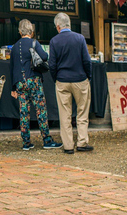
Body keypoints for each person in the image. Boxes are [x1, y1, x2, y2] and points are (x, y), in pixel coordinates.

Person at [10, 19, 62, 150]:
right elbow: (44, 56)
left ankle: (26, 143)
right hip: (34, 81)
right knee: (41, 110)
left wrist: (13, 88)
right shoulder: (34, 43)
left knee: (24, 112)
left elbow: (12, 68)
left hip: (20, 83)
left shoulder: (15, 47)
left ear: (20, 31)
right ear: (31, 32)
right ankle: (47, 140)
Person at [49, 13, 93, 154]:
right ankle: (82, 142)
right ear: (69, 24)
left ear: (58, 26)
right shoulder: (79, 38)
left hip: (62, 80)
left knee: (64, 114)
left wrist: (56, 78)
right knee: (82, 112)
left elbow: (52, 64)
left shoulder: (54, 41)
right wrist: (88, 76)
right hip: (80, 80)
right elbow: (87, 61)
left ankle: (68, 145)